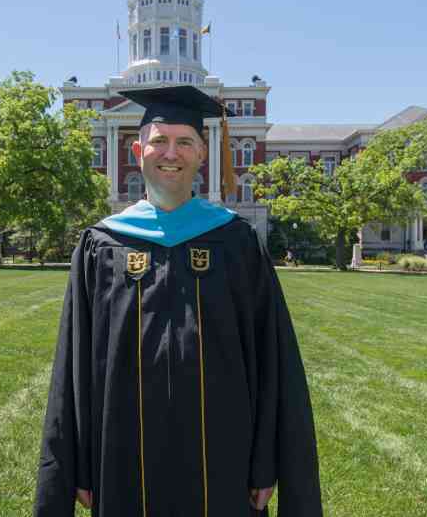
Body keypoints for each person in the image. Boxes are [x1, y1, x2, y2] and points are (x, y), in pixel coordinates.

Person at [33, 86, 322, 517]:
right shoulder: (102, 244)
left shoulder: (237, 243)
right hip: (121, 462)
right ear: (138, 150)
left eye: (185, 141)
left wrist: (266, 464)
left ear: (202, 154)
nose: (172, 153)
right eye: (159, 140)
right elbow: (74, 369)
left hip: (225, 463)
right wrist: (77, 468)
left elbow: (273, 362)